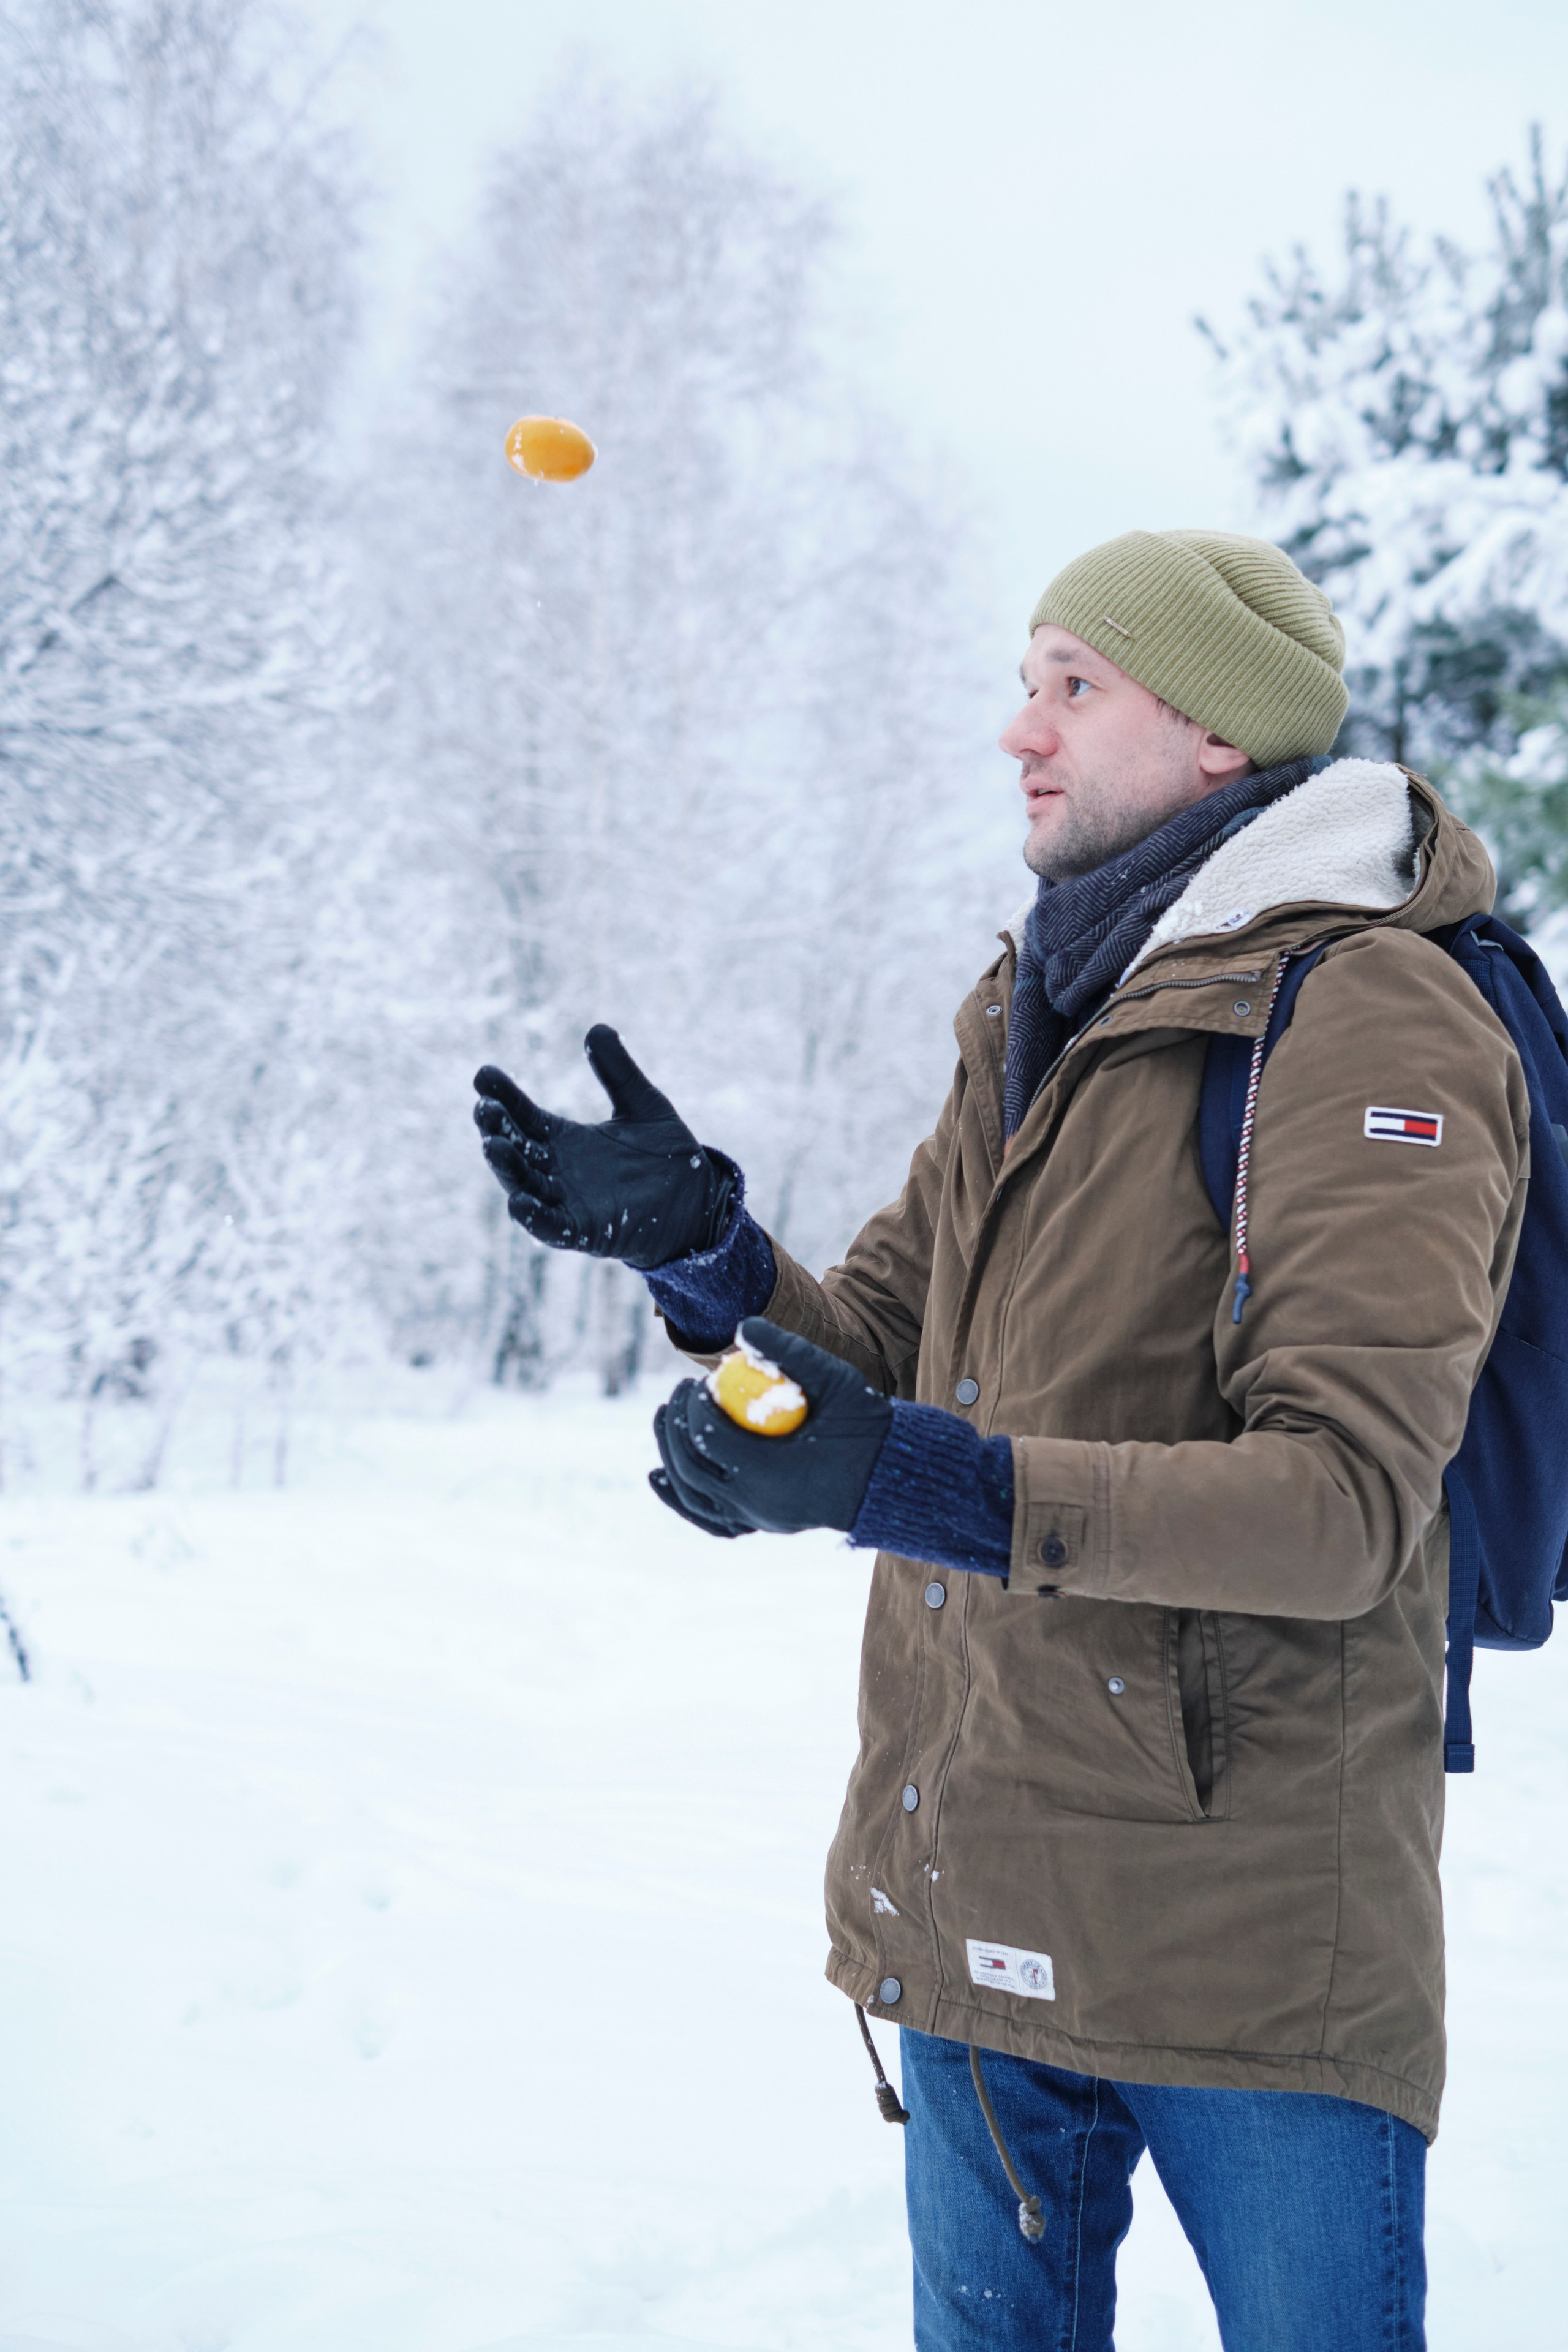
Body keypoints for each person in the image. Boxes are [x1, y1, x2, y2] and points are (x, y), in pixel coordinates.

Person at [473, 529, 1528, 2352]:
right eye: (1024, 680)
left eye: (1070, 685)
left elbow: (1345, 1501)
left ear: (1214, 736)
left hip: (1251, 1943)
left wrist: (911, 1478)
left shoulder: (1369, 1013)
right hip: (977, 1875)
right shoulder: (1041, 1002)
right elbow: (886, 1342)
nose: (1014, 731)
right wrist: (702, 1255)